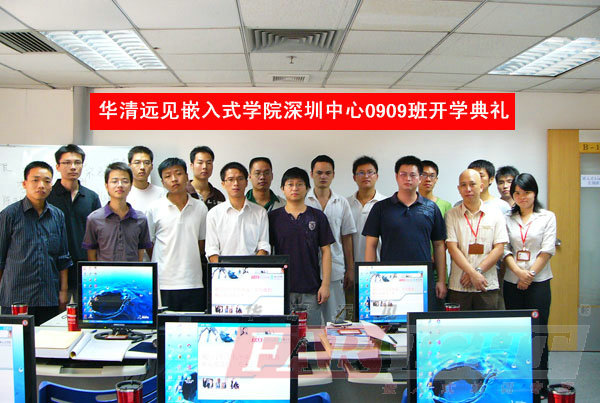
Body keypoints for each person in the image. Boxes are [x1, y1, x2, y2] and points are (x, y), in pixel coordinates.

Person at [363, 155, 447, 301]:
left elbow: (439, 245)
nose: (408, 179)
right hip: (388, 278)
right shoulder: (381, 208)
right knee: (391, 315)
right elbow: (371, 245)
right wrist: (369, 279)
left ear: (420, 178)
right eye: (403, 174)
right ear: (396, 177)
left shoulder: (431, 208)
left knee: (421, 315)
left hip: (422, 278)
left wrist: (441, 280)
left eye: (413, 175)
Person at [502, 173, 556, 400]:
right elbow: (504, 249)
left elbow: (547, 249)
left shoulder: (547, 216)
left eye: (526, 192)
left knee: (538, 332)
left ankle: (540, 384)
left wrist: (530, 274)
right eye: (517, 193)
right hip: (512, 282)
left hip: (539, 282)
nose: (522, 197)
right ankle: (519, 382)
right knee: (517, 334)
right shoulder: (507, 217)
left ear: (535, 193)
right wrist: (519, 273)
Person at [0, 161, 71, 325]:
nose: (41, 185)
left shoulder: (57, 216)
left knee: (47, 338)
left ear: (51, 186)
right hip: (16, 298)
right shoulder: (9, 215)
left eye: (47, 181)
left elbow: (63, 258)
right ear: (25, 184)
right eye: (35, 180)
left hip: (48, 296)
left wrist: (63, 291)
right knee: (19, 340)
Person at [268, 167, 334, 326]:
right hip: (281, 290)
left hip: (311, 289)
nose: (295, 188)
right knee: (284, 334)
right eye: (290, 184)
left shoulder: (317, 216)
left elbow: (326, 251)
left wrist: (325, 285)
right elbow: (267, 252)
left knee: (311, 335)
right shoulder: (273, 218)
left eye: (299, 184)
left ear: (307, 188)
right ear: (282, 188)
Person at [146, 158, 208, 311]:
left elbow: (201, 244)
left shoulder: (200, 207)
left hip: (193, 281)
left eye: (178, 173)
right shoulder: (154, 208)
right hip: (163, 281)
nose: (174, 179)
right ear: (163, 182)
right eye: (168, 176)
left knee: (193, 323)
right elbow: (149, 244)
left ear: (187, 176)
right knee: (163, 324)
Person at [445, 169, 508, 310]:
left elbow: (499, 248)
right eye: (463, 185)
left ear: (481, 186)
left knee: (487, 323)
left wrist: (477, 272)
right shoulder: (451, 214)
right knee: (458, 324)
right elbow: (452, 248)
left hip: (486, 283)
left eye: (472, 184)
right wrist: (472, 273)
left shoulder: (495, 213)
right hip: (459, 285)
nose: (468, 189)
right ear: (459, 189)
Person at [47, 144, 101, 299]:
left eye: (77, 162)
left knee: (85, 310)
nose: (73, 167)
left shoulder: (91, 197)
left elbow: (98, 233)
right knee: (56, 311)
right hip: (54, 268)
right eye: (67, 163)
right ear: (58, 166)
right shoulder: (48, 196)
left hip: (85, 268)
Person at [306, 155, 356, 323]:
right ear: (312, 174)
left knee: (337, 320)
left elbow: (347, 237)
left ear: (333, 175)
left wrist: (350, 269)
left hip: (335, 269)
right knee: (311, 322)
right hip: (309, 270)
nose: (323, 176)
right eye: (319, 173)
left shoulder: (341, 202)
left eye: (328, 173)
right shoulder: (303, 201)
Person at [82, 162, 151, 262]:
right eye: (114, 181)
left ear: (131, 185)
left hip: (132, 272)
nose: (120, 185)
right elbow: (91, 255)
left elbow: (140, 253)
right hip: (104, 272)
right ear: (106, 186)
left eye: (125, 181)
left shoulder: (141, 219)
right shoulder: (94, 219)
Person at [205, 162, 270, 262]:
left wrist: (252, 267)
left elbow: (263, 245)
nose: (236, 183)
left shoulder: (260, 212)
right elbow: (212, 249)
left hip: (253, 269)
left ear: (246, 182)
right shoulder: (214, 214)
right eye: (230, 179)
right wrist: (225, 268)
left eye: (240, 179)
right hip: (223, 269)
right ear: (223, 184)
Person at [346, 156, 385, 317]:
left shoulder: (386, 204)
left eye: (370, 172)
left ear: (377, 176)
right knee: (351, 316)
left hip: (379, 271)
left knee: (376, 316)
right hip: (350, 272)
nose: (366, 176)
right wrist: (349, 269)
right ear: (354, 177)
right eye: (361, 173)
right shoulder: (345, 204)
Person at [127, 145, 165, 213]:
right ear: (129, 166)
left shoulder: (161, 193)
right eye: (137, 163)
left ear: (151, 167)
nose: (142, 167)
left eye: (146, 163)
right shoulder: (123, 192)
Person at [186, 146, 225, 210]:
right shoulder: (183, 192)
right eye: (200, 163)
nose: (204, 167)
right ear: (192, 166)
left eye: (208, 163)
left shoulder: (218, 195)